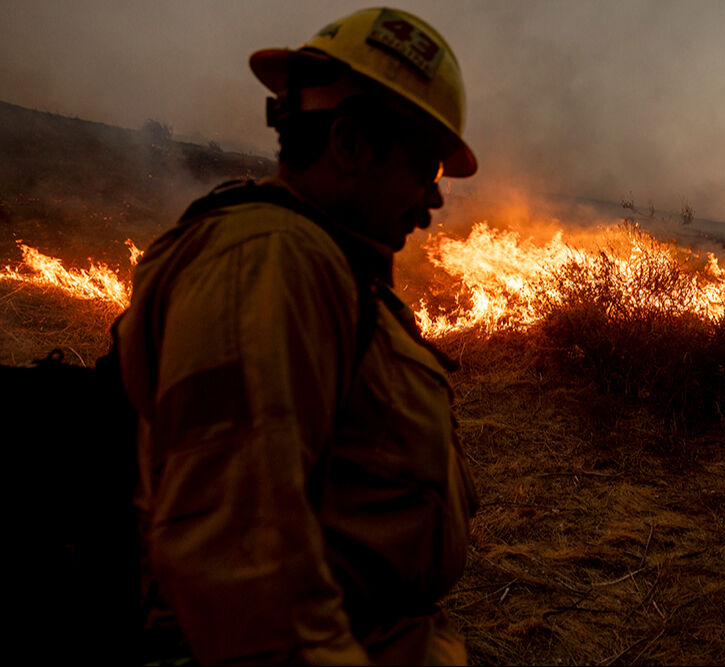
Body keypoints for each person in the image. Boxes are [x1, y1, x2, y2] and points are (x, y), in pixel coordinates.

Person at [115, 7, 479, 665]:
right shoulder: (266, 262)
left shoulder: (328, 266)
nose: (434, 201)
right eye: (424, 168)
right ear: (350, 145)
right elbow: (246, 577)